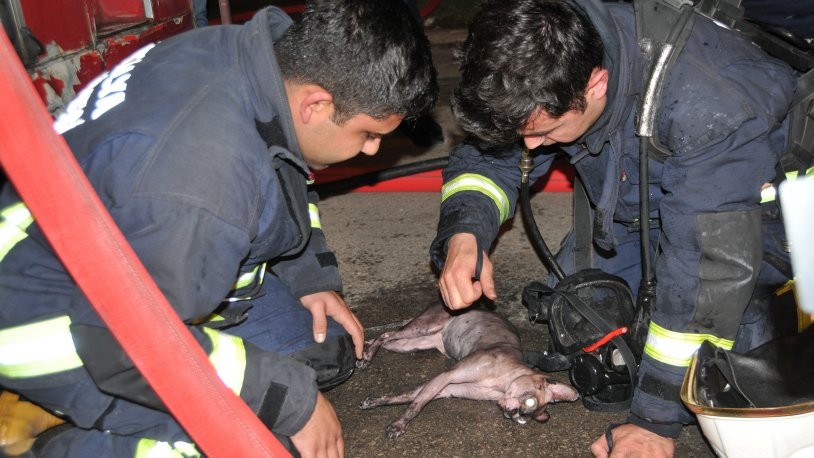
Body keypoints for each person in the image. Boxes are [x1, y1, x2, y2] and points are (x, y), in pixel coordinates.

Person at [0, 0, 437, 456]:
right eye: (369, 135)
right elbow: (130, 341)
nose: (371, 152)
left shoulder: (257, 61)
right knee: (269, 442)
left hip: (153, 264)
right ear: (317, 104)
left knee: (328, 351)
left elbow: (286, 170)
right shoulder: (198, 181)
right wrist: (295, 404)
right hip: (64, 326)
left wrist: (310, 280)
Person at [429, 0, 797, 457]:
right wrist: (467, 234)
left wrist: (654, 423)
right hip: (648, 204)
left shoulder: (710, 108)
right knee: (580, 308)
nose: (529, 146)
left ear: (596, 82)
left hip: (762, 227)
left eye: (547, 131)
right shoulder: (549, 43)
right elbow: (489, 154)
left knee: (727, 373)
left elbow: (707, 271)